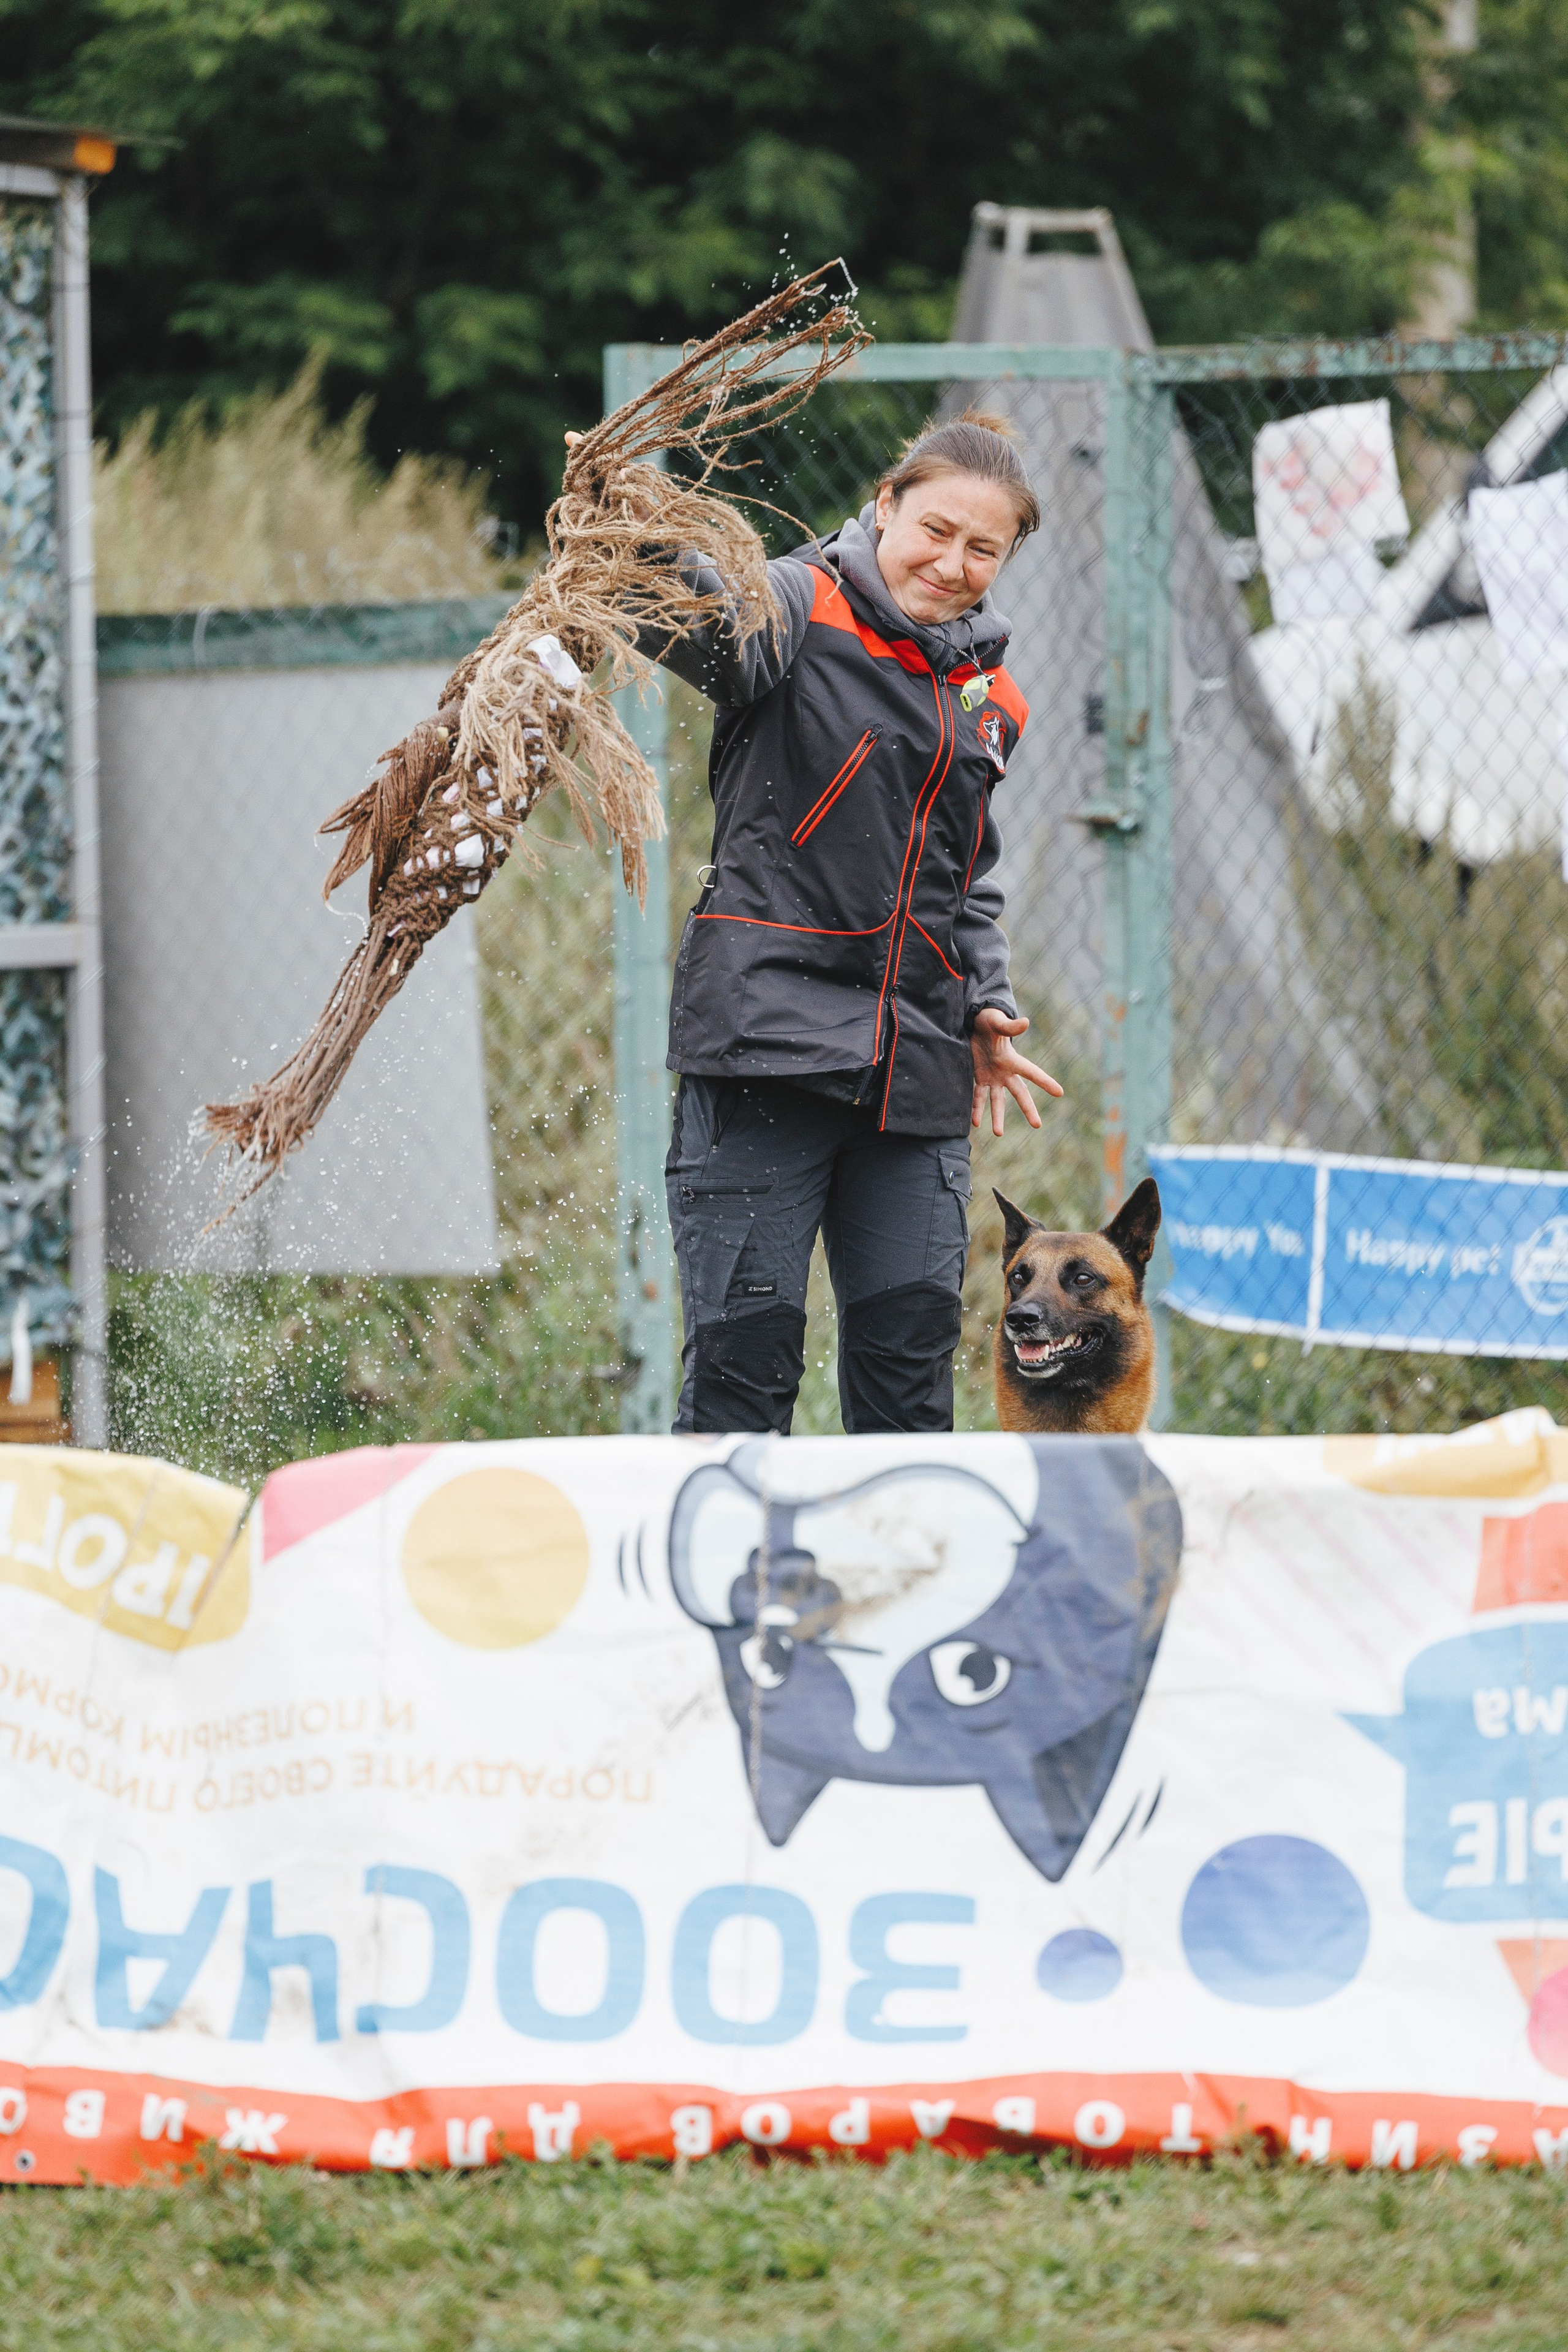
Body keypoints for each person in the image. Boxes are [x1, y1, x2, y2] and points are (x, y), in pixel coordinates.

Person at [642, 410, 1060, 1434]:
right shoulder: (796, 604)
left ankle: (900, 1591)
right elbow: (708, 627)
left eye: (983, 550)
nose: (953, 564)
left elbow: (968, 883)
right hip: (764, 1050)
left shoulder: (989, 694)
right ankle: (737, 1593)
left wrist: (987, 1002)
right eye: (935, 531)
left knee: (911, 1379)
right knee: (744, 1373)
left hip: (915, 1080)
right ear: (885, 507)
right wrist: (640, 542)